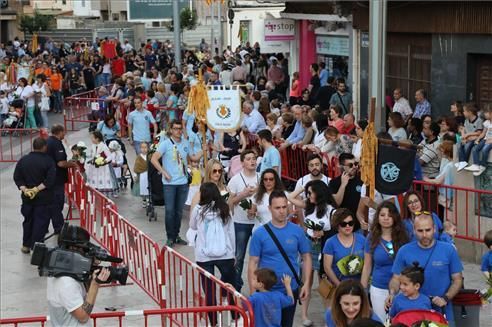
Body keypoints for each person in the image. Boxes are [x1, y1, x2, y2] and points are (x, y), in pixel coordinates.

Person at [248, 191, 312, 327]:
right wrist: (253, 291)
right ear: (269, 208)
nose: (282, 211)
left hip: (290, 288)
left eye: (284, 207)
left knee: (287, 324)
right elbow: (252, 263)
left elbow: (306, 257)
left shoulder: (297, 231)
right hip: (265, 290)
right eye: (277, 208)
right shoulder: (259, 234)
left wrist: (306, 284)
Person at [387, 213, 463, 326]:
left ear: (435, 229)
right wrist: (392, 293)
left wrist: (445, 298)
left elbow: (457, 279)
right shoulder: (404, 251)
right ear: (413, 230)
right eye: (420, 231)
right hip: (412, 314)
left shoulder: (448, 250)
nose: (424, 235)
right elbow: (396, 278)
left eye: (428, 230)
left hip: (442, 312)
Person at [288, 180, 337, 325]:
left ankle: (328, 316)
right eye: (307, 193)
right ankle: (304, 315)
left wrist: (323, 233)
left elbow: (335, 229)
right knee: (306, 281)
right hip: (308, 244)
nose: (308, 195)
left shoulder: (330, 209)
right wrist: (305, 186)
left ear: (319, 193)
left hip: (324, 246)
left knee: (324, 283)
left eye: (311, 193)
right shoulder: (308, 206)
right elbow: (290, 197)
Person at [189, 182, 236, 325]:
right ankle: (235, 317)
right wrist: (233, 253)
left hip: (204, 255)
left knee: (209, 291)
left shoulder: (198, 210)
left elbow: (192, 226)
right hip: (225, 254)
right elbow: (230, 232)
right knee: (230, 286)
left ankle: (213, 322)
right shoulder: (225, 209)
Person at [151, 119, 202, 247]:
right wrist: (163, 171)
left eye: (180, 129)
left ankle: (176, 235)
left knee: (179, 211)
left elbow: (194, 157)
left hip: (183, 182)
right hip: (169, 183)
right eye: (175, 129)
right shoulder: (165, 144)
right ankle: (170, 237)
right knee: (169, 211)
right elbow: (154, 159)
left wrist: (203, 150)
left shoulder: (185, 143)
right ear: (171, 130)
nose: (178, 131)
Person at [47, 225, 110, 326]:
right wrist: (95, 284)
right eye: (84, 250)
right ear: (73, 248)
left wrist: (90, 270)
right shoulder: (66, 282)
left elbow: (84, 296)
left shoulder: (58, 269)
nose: (86, 253)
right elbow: (83, 316)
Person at [360, 202, 410, 321]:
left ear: (395, 217)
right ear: (377, 218)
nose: (386, 218)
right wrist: (362, 291)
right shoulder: (371, 238)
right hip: (379, 288)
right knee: (382, 322)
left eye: (389, 215)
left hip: (403, 288)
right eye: (382, 215)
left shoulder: (404, 236)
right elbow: (367, 267)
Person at [14, 137, 56, 254]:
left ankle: (26, 245)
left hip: (27, 199)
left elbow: (17, 177)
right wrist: (36, 189)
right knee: (40, 222)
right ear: (44, 147)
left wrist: (26, 189)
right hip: (43, 198)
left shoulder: (23, 160)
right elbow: (50, 180)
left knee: (28, 221)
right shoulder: (49, 161)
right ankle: (37, 248)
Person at [228, 150, 259, 291]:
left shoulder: (262, 178)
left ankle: (259, 286)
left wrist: (255, 209)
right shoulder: (235, 180)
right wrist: (243, 194)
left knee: (260, 257)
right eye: (248, 159)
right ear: (242, 162)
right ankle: (236, 287)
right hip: (240, 223)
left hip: (259, 223)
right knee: (239, 256)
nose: (252, 161)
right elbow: (230, 202)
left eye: (254, 158)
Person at [46, 125, 78, 234]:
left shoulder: (48, 141)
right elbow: (61, 163)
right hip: (56, 179)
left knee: (51, 203)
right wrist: (72, 164)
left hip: (49, 178)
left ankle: (47, 226)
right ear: (59, 132)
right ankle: (59, 228)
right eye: (64, 132)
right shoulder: (56, 144)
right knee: (57, 204)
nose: (65, 134)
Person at [323, 208, 365, 285]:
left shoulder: (362, 239)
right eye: (343, 224)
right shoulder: (330, 242)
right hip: (339, 284)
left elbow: (367, 263)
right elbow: (327, 268)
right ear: (337, 225)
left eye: (350, 223)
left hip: (359, 285)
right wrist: (339, 285)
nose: (348, 226)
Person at [329, 153, 363, 224]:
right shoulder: (334, 183)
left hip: (358, 224)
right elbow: (336, 203)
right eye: (350, 165)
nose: (354, 167)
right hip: (342, 224)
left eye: (355, 164)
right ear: (342, 167)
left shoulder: (361, 181)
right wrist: (343, 185)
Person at [85, 131, 117, 196]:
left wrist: (104, 161)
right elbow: (92, 154)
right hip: (95, 167)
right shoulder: (93, 146)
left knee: (102, 181)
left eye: (92, 138)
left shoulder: (104, 146)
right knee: (95, 180)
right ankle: (96, 194)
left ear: (97, 139)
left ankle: (104, 195)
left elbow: (109, 156)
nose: (91, 139)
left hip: (103, 168)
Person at [456, 103, 483, 171]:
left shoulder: (479, 120)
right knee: (459, 144)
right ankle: (461, 162)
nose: (463, 113)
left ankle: (464, 162)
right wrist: (463, 137)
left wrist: (468, 135)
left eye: (464, 111)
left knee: (468, 145)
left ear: (470, 112)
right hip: (467, 138)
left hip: (474, 139)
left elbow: (479, 132)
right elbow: (464, 130)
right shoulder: (466, 121)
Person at [467, 104, 492, 176]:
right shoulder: (487, 122)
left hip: (490, 141)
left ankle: (483, 166)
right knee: (475, 148)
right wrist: (478, 139)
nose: (485, 114)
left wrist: (490, 140)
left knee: (484, 150)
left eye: (486, 112)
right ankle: (476, 165)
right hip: (485, 139)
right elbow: (483, 133)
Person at [133, 142, 149, 208]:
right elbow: (136, 167)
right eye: (142, 147)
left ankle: (148, 200)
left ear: (148, 148)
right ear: (140, 149)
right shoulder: (138, 157)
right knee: (142, 188)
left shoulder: (150, 156)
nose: (144, 149)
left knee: (148, 187)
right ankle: (144, 200)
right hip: (141, 175)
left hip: (148, 174)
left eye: (145, 147)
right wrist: (135, 175)